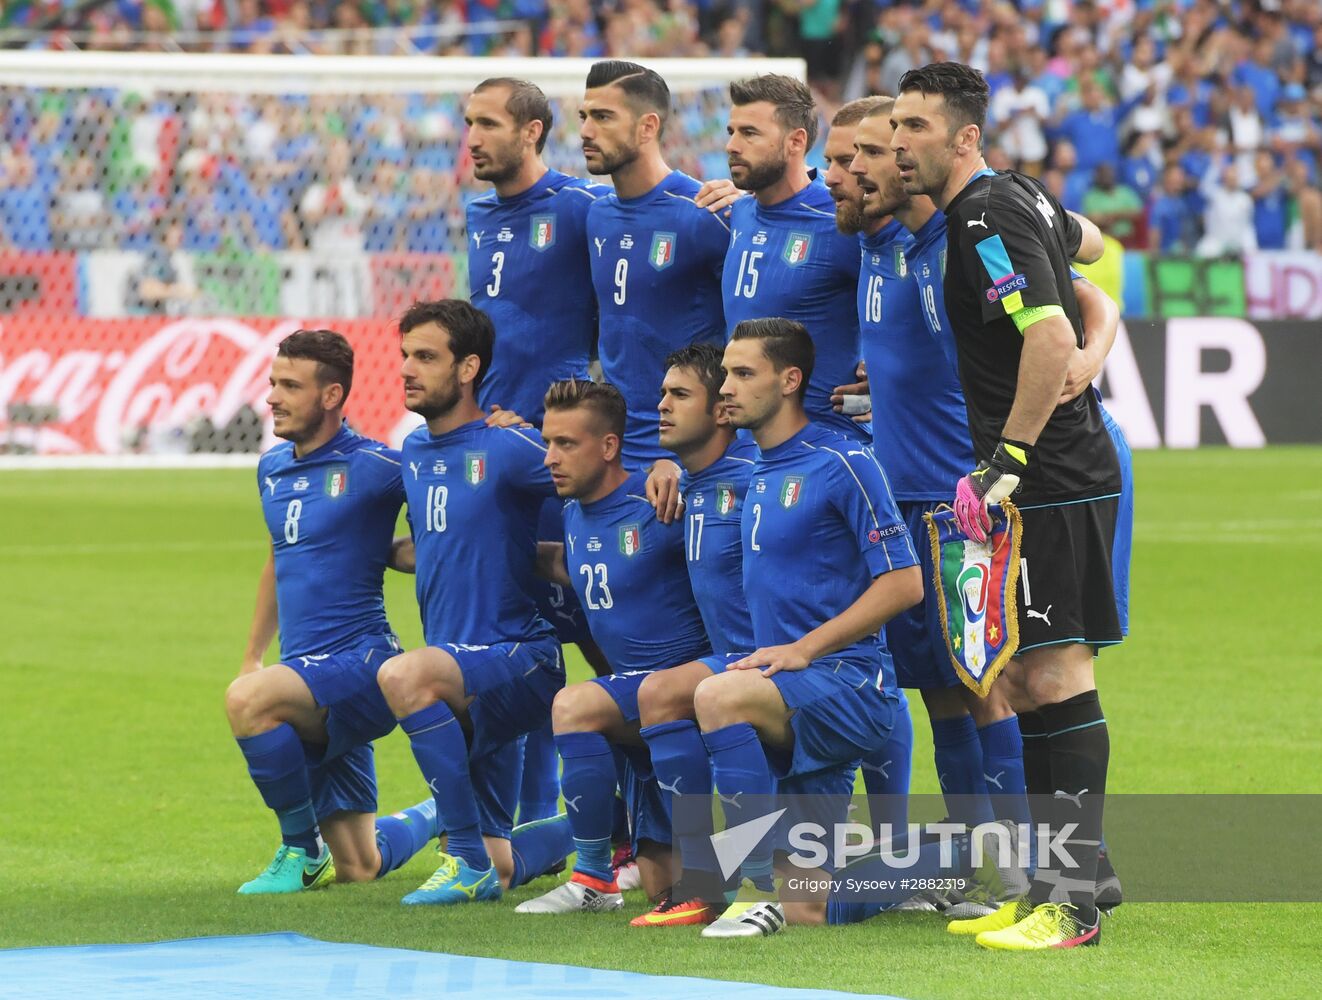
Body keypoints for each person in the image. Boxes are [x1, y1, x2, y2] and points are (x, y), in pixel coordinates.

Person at [851, 96, 1130, 915]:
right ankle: (1063, 879)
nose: (899, 148)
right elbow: (1087, 243)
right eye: (891, 132)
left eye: (913, 131)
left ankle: (1071, 890)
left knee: (1054, 673)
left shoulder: (979, 219)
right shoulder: (1018, 198)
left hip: (1049, 476)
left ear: (965, 136)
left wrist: (1005, 461)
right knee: (1034, 677)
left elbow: (1048, 334)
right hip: (1049, 474)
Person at [691, 318, 921, 939]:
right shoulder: (759, 470)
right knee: (810, 909)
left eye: (743, 374)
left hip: (852, 685)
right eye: (724, 375)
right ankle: (935, 866)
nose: (726, 389)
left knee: (716, 695)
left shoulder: (843, 461)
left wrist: (802, 649)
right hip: (796, 697)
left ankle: (751, 889)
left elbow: (905, 582)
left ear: (790, 380)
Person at [224, 329, 436, 896]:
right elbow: (280, 557)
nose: (272, 396)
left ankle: (300, 845)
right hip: (306, 673)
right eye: (273, 382)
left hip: (361, 665)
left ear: (331, 395)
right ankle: (446, 812)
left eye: (290, 385)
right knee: (360, 866)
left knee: (248, 702)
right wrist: (252, 655)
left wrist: (398, 553)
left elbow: (437, 532)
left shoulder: (378, 467)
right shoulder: (270, 467)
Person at [373, 300, 570, 906]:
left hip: (517, 656)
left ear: (468, 369)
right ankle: (615, 826)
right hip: (463, 667)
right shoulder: (413, 450)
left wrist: (665, 473)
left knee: (404, 675)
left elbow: (594, 476)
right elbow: (437, 542)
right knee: (505, 863)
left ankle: (461, 856)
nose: (407, 368)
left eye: (425, 357)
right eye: (405, 355)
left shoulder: (509, 447)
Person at [516, 380, 712, 915]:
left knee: (573, 705)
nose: (551, 458)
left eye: (566, 444)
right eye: (547, 442)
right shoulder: (577, 512)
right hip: (636, 705)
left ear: (608, 447)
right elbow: (579, 564)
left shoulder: (660, 503)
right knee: (661, 890)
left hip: (690, 689)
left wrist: (669, 468)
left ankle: (592, 877)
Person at [630, 343, 758, 927]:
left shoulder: (754, 481)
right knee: (654, 693)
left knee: (660, 693)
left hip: (777, 664)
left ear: (721, 411)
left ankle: (709, 879)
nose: (661, 406)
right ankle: (698, 877)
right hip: (731, 663)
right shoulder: (689, 483)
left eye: (679, 395)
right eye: (662, 393)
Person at [580, 60, 730, 468]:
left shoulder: (703, 212)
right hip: (614, 450)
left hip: (690, 454)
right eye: (584, 116)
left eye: (603, 117)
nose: (586, 131)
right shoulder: (597, 215)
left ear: (647, 127)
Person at [721, 74, 867, 443]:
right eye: (731, 131)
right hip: (753, 452)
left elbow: (916, 314)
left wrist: (888, 388)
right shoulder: (737, 212)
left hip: (826, 450)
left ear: (796, 142)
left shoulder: (840, 220)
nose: (732, 145)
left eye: (749, 133)